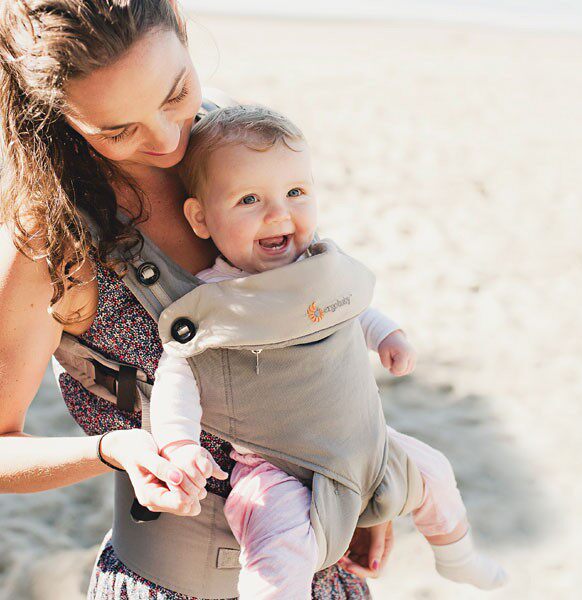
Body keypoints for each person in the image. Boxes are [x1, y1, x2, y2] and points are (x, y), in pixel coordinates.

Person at [0, 2, 391, 598]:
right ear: (57, 115)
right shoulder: (50, 239)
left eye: (176, 92)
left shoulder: (232, 135)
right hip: (172, 581)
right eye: (118, 130)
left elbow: (316, 313)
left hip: (324, 563)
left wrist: (364, 473)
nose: (167, 138)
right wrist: (113, 450)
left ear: (181, 31)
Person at [150, 105, 508, 598]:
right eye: (249, 199)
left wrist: (386, 335)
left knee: (434, 471)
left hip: (365, 444)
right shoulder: (215, 302)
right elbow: (178, 371)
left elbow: (347, 309)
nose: (279, 214)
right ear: (200, 218)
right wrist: (179, 443)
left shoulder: (316, 267)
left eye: (296, 193)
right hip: (277, 464)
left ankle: (457, 557)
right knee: (276, 542)